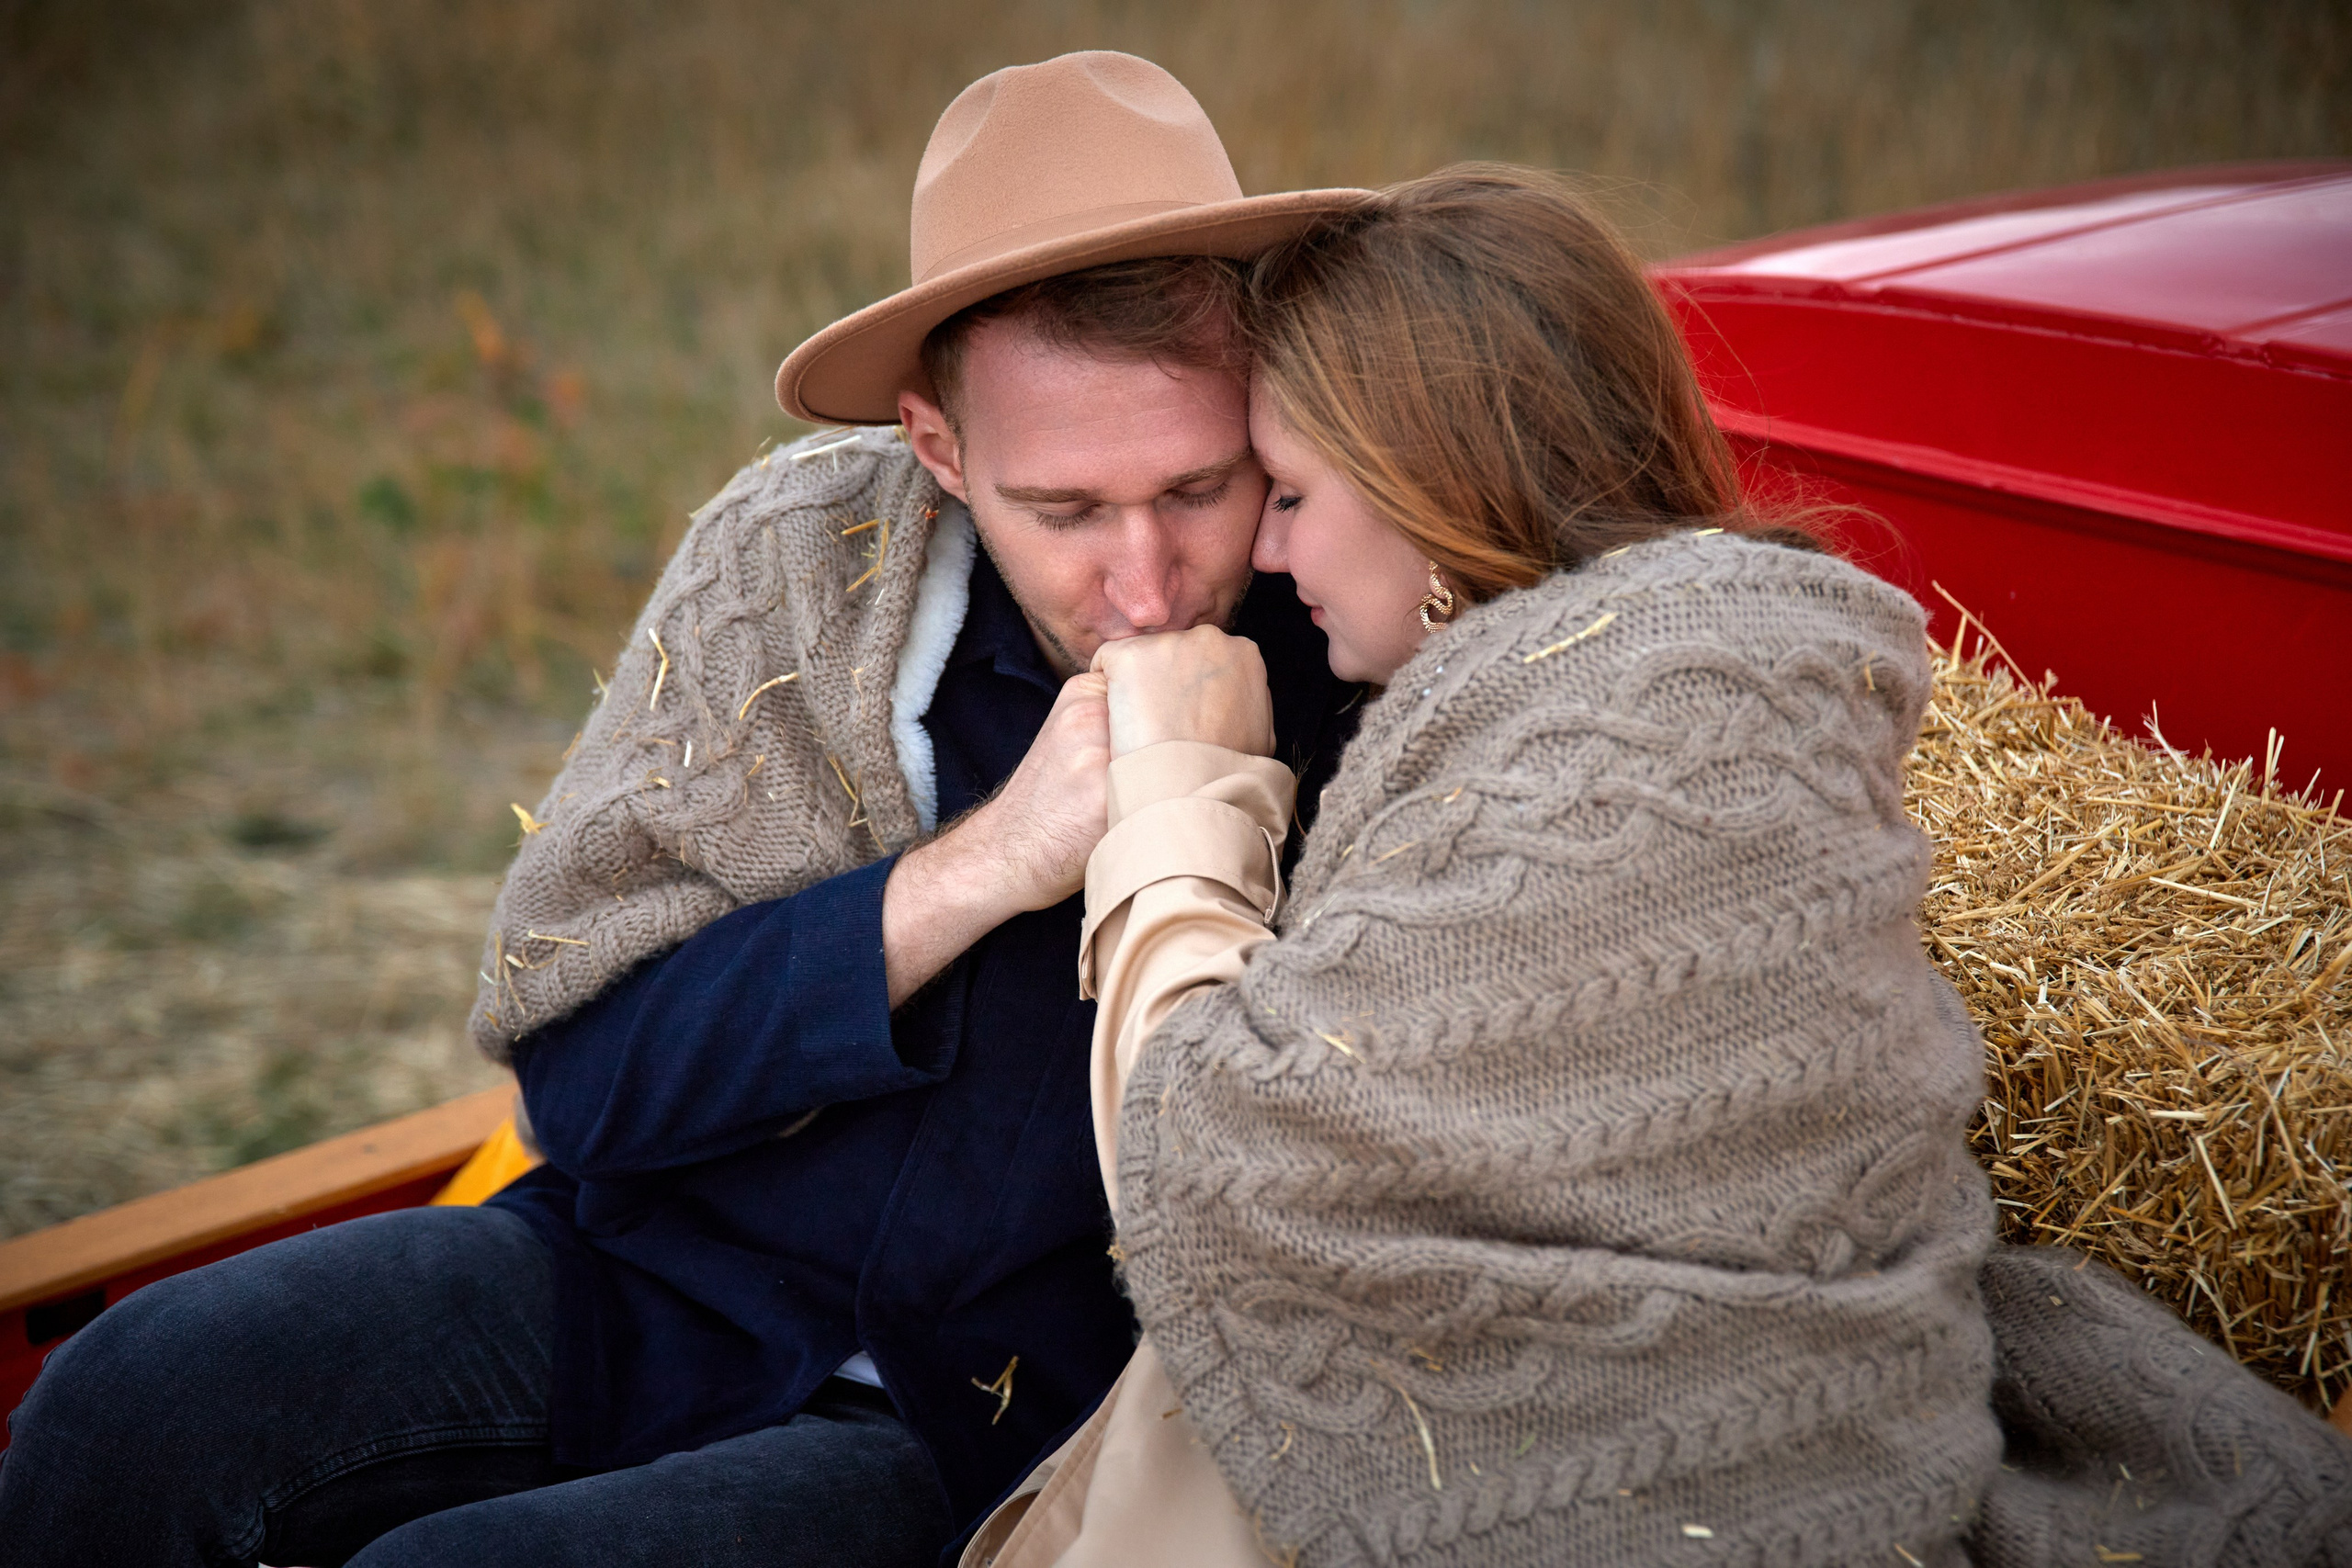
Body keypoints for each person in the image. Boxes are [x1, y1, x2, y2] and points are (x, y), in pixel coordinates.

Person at [0, 53, 1371, 1567]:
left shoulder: (1361, 623)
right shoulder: (796, 572)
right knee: (122, 1407)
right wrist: (982, 867)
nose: (1145, 584)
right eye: (1063, 512)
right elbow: (581, 1089)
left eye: (1199, 488)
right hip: (646, 1280)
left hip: (985, 1427)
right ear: (937, 452)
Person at [967, 164, 2007, 1567]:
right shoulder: (1682, 682)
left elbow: (1218, 1162)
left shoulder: (1620, 752)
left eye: (1287, 490)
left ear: (1426, 485)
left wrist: (1181, 787)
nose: (1265, 552)